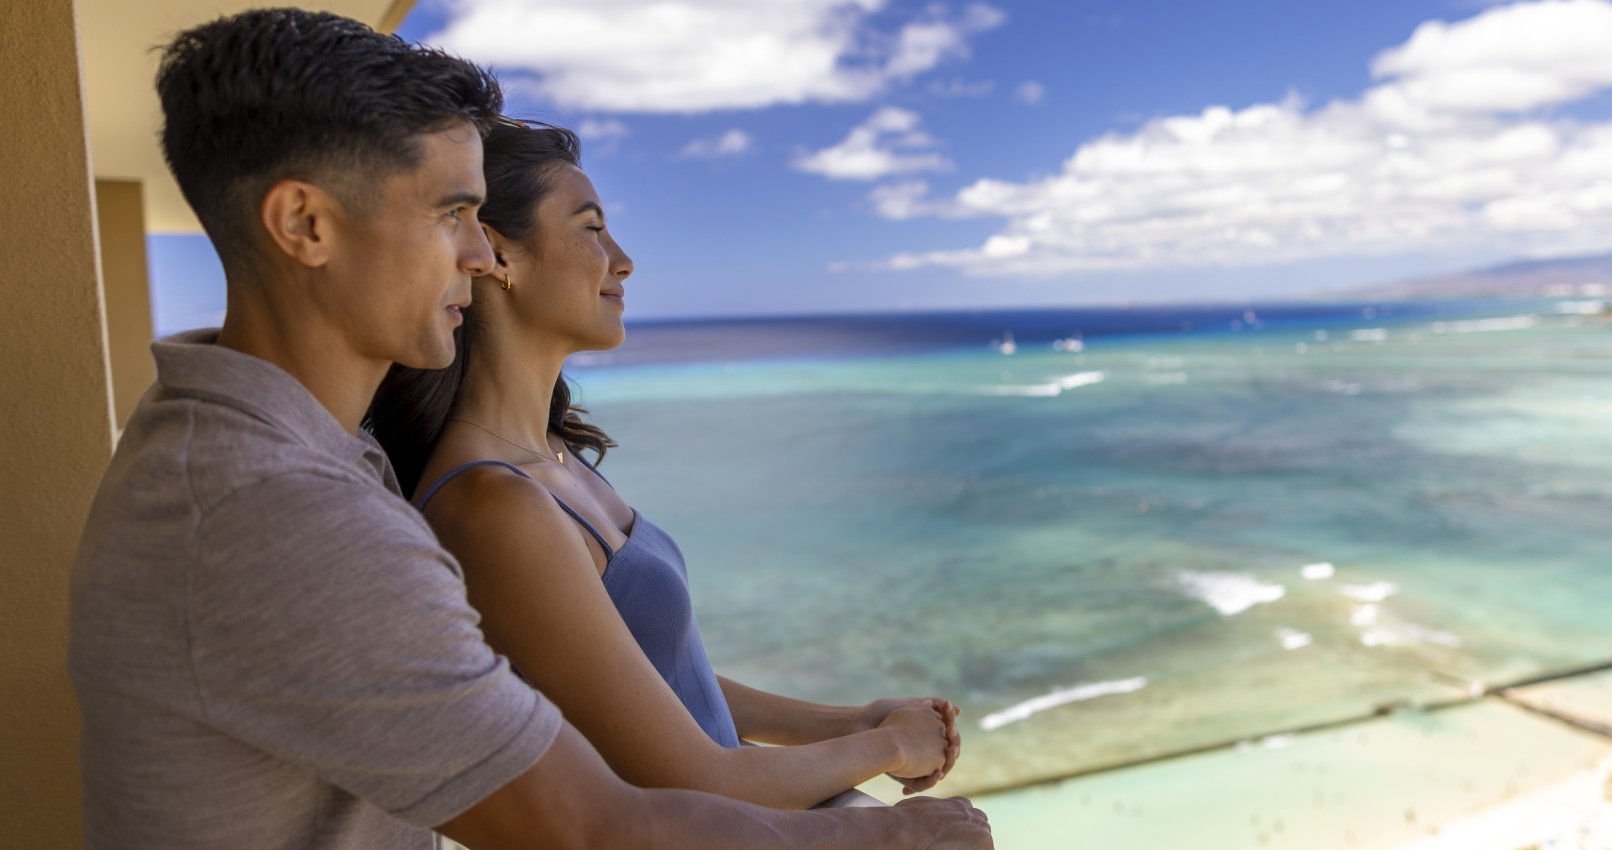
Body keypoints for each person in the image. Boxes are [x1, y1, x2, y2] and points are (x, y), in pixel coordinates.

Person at [65, 9, 991, 849]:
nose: (479, 256)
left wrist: (845, 736)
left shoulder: (282, 446)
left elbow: (628, 691)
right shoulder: (276, 512)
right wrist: (901, 837)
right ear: (306, 223)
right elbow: (593, 828)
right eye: (451, 214)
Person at [366, 120, 963, 811]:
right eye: (592, 230)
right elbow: (695, 780)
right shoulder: (492, 503)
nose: (623, 260)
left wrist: (851, 721)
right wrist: (886, 749)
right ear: (498, 254)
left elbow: (665, 684)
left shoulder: (553, 457)